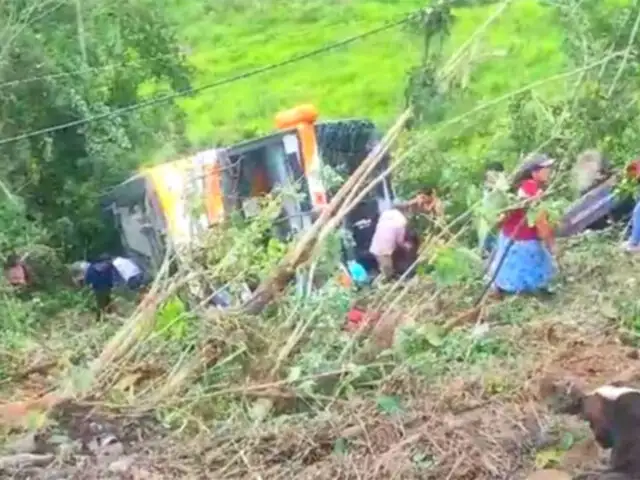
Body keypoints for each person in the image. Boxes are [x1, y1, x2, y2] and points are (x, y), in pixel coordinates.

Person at [488, 153, 556, 296]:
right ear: (534, 172)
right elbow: (541, 222)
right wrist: (551, 244)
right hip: (522, 243)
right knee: (529, 282)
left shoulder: (521, 186)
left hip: (509, 238)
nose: (549, 171)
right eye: (545, 168)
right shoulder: (531, 190)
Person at [369, 191, 440, 280]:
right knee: (389, 270)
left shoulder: (386, 213)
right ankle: (391, 280)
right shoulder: (401, 221)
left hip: (375, 246)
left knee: (384, 266)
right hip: (385, 249)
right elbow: (400, 240)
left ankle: (388, 279)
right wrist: (406, 246)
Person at [477, 162, 509, 259]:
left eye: (493, 174)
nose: (490, 178)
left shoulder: (503, 189)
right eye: (488, 175)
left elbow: (508, 204)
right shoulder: (486, 189)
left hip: (499, 226)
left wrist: (502, 216)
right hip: (486, 225)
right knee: (487, 253)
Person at [84, 254, 116, 320]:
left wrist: (89, 284)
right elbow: (111, 276)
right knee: (108, 301)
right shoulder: (108, 266)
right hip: (107, 287)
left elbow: (87, 278)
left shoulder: (91, 267)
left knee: (100, 304)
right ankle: (109, 316)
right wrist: (111, 284)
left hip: (97, 288)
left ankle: (99, 319)